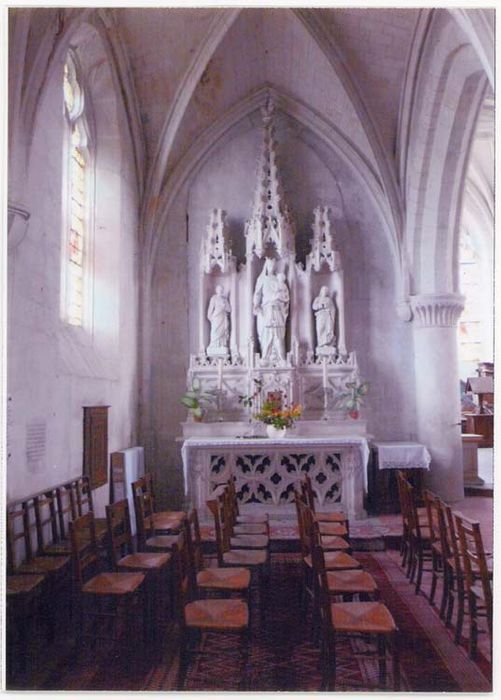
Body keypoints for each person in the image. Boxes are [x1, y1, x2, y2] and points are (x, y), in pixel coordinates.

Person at [253, 258, 289, 362]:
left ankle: (281, 358)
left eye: (273, 266)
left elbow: (285, 295)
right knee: (266, 333)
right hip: (266, 310)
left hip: (278, 310)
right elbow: (257, 294)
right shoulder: (262, 279)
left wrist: (280, 296)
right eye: (269, 265)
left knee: (278, 334)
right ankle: (266, 356)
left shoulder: (278, 280)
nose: (271, 268)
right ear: (266, 267)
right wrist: (256, 305)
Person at [207, 285, 230, 356]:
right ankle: (213, 345)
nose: (220, 291)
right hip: (216, 317)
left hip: (223, 317)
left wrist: (225, 306)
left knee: (222, 331)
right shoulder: (213, 298)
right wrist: (210, 318)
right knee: (215, 331)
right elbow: (210, 309)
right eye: (219, 289)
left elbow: (229, 309)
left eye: (221, 290)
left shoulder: (225, 299)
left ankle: (222, 344)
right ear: (216, 290)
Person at [312, 286, 336, 353]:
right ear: (321, 291)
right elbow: (314, 307)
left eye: (326, 290)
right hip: (320, 316)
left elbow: (333, 309)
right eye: (324, 290)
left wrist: (329, 310)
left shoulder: (329, 300)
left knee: (327, 330)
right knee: (320, 329)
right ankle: (320, 344)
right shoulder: (317, 299)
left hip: (327, 317)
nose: (325, 291)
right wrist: (320, 305)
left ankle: (327, 343)